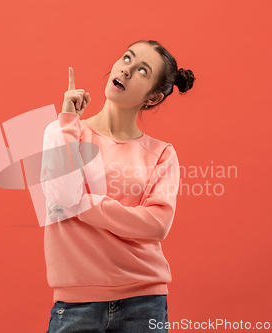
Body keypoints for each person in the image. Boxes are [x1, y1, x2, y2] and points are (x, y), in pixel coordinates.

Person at [41, 40, 196, 333]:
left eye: (142, 71)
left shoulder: (162, 153)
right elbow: (61, 194)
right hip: (76, 305)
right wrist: (69, 121)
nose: (126, 70)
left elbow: (156, 225)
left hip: (144, 301)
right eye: (127, 58)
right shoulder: (63, 130)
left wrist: (81, 202)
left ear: (151, 98)